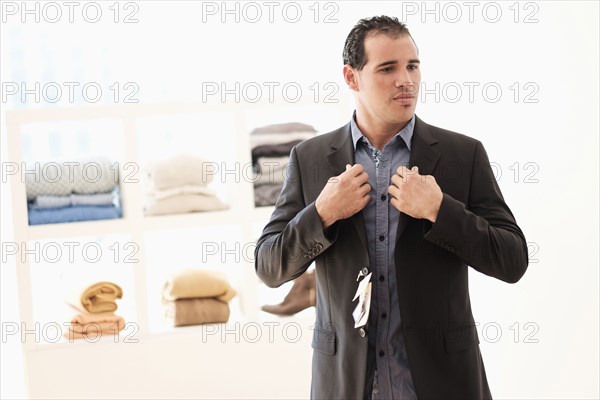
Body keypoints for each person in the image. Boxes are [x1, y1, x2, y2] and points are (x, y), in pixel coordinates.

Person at [254, 15, 528, 400]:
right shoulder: (310, 158)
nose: (407, 80)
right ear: (352, 77)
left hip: (442, 383)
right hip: (346, 384)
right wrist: (322, 214)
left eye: (413, 65)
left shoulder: (462, 155)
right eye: (388, 68)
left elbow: (512, 259)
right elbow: (268, 266)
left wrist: (440, 210)